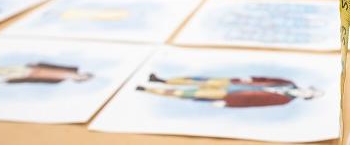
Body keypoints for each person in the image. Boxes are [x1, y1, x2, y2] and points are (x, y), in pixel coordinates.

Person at [136, 74, 322, 108]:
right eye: (308, 91)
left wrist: (227, 103)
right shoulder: (289, 82)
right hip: (234, 83)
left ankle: (148, 89)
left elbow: (254, 103)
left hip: (232, 95)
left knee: (189, 94)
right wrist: (251, 79)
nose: (305, 93)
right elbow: (265, 78)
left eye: (308, 96)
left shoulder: (283, 101)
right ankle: (163, 80)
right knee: (197, 81)